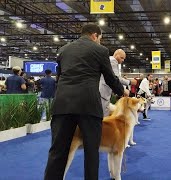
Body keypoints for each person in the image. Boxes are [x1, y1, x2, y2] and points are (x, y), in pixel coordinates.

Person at [44, 24, 129, 180]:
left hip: (62, 104)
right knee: (91, 153)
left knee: (57, 151)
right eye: (100, 38)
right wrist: (122, 91)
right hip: (88, 106)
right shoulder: (101, 50)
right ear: (95, 35)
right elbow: (110, 78)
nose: (99, 41)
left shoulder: (63, 50)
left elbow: (60, 77)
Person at [99, 49, 137, 116]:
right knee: (103, 116)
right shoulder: (113, 61)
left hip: (103, 92)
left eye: (124, 59)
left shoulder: (110, 60)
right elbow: (116, 78)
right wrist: (129, 82)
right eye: (121, 58)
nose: (123, 60)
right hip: (103, 92)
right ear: (116, 55)